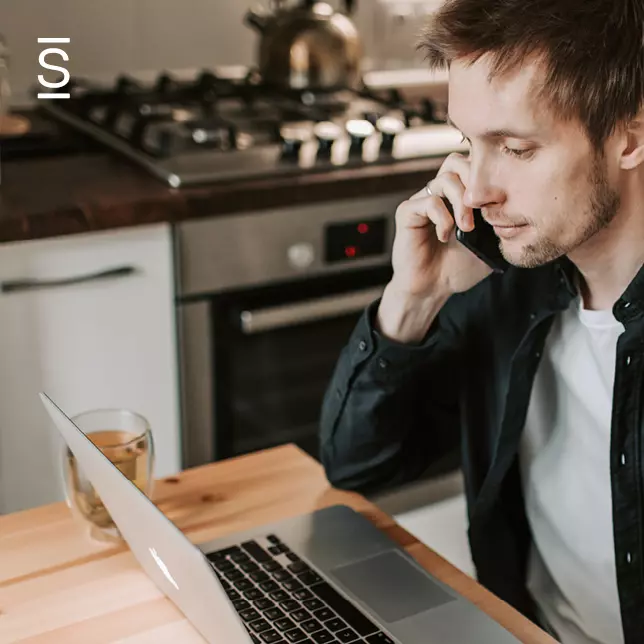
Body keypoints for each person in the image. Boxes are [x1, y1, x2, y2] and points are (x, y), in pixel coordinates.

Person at [319, 1, 644, 642]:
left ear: (630, 138)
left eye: (517, 149)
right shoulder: (501, 286)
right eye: (468, 144)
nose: (476, 189)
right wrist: (413, 299)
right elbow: (357, 469)